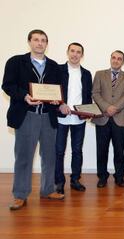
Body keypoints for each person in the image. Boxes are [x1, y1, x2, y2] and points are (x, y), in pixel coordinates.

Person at [2, 29, 64, 210]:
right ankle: (20, 194)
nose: (40, 43)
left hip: (48, 116)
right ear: (29, 42)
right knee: (23, 157)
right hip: (26, 116)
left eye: (43, 40)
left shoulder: (54, 66)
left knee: (49, 156)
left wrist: (57, 99)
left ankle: (48, 189)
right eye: (36, 40)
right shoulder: (15, 62)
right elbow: (7, 85)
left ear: (47, 44)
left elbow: (58, 89)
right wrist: (24, 96)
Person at [55, 42, 92, 194]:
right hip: (60, 118)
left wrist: (88, 111)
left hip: (79, 119)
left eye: (78, 52)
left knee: (77, 151)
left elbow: (88, 95)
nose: (75, 54)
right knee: (59, 151)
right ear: (67, 52)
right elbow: (53, 91)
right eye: (72, 51)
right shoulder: (58, 70)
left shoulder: (87, 73)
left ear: (82, 55)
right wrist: (61, 104)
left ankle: (75, 180)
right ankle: (59, 182)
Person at [92, 50, 124, 188]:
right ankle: (102, 176)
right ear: (110, 59)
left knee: (119, 150)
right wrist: (106, 107)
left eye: (119, 59)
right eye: (114, 58)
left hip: (119, 118)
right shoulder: (99, 74)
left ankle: (119, 176)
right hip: (102, 118)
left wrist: (115, 108)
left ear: (123, 61)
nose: (116, 60)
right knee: (102, 149)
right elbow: (95, 93)